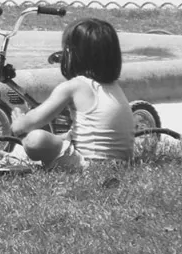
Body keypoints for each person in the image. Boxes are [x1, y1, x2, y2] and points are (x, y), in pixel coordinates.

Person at [11, 18, 135, 170]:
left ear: (71, 54)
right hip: (121, 164)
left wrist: (19, 123)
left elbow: (34, 120)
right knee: (60, 137)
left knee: (35, 139)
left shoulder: (74, 86)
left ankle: (23, 148)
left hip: (87, 164)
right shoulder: (114, 87)